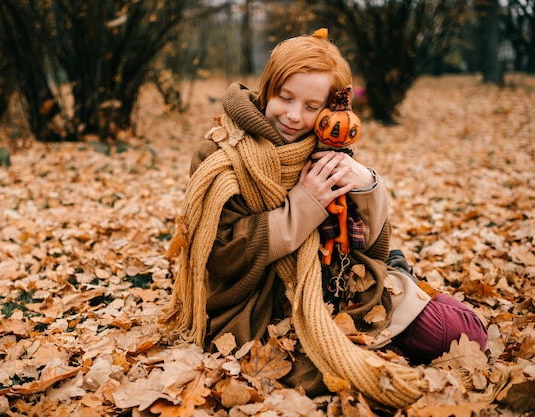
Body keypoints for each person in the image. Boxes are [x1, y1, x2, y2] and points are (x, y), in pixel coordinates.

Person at [161, 28, 487, 403]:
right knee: (375, 360)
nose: (294, 116)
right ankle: (373, 351)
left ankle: (381, 335)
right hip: (262, 304)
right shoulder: (219, 154)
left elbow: (373, 243)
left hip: (337, 282)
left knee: (469, 331)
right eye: (285, 98)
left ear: (333, 108)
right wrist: (303, 206)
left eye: (312, 107)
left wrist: (367, 185)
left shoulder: (328, 145)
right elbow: (220, 258)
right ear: (268, 89)